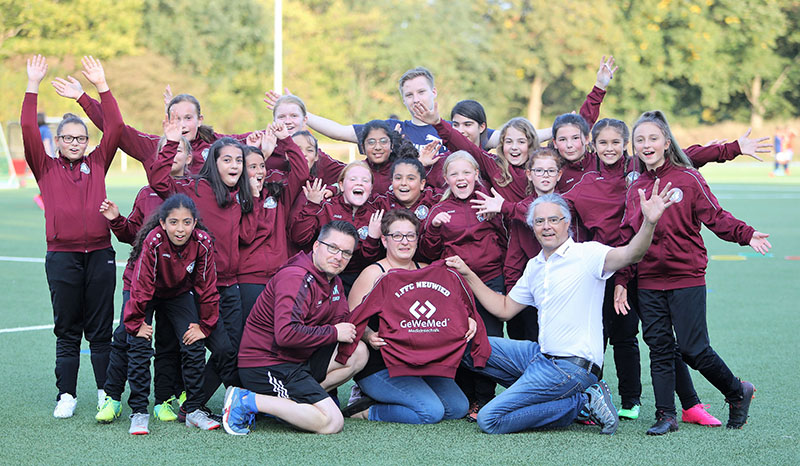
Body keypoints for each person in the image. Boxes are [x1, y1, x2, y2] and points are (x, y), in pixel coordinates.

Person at [445, 183, 678, 435]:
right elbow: (504, 309)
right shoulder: (535, 266)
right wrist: (468, 274)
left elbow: (631, 254)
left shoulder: (587, 254)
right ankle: (561, 397)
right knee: (468, 346)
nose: (547, 226)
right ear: (532, 227)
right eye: (539, 221)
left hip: (572, 367)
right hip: (540, 357)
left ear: (567, 223)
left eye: (554, 220)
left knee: (490, 420)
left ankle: (584, 401)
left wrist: (650, 222)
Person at [615, 110, 769, 435]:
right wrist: (622, 281)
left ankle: (737, 391)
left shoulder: (687, 178)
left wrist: (747, 233)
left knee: (693, 348)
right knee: (658, 346)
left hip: (686, 276)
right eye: (640, 140)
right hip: (649, 281)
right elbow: (628, 240)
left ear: (666, 141)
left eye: (653, 138)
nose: (646, 145)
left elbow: (716, 217)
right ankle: (666, 415)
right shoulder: (636, 187)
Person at [22, 55, 122, 418]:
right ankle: (66, 394)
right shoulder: (45, 167)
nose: (75, 142)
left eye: (81, 138)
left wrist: (99, 86)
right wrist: (32, 85)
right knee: (67, 329)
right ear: (59, 141)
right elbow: (28, 131)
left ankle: (104, 393)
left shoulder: (97, 163)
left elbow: (116, 126)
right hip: (62, 257)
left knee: (100, 329)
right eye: (68, 138)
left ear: (86, 141)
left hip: (100, 254)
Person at [222, 221, 370, 435]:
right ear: (317, 246)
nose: (339, 257)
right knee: (331, 423)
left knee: (358, 352)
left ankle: (288, 408)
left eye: (346, 253)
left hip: (298, 360)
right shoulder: (296, 277)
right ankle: (244, 400)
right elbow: (287, 334)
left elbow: (343, 320)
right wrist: (335, 332)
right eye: (333, 248)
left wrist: (370, 332)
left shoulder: (333, 280)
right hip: (268, 364)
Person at [338, 209, 483, 424]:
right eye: (397, 236)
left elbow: (450, 309)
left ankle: (390, 399)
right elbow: (350, 318)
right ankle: (364, 409)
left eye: (410, 235)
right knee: (431, 412)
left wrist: (466, 320)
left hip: (419, 362)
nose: (404, 242)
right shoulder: (374, 273)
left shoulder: (426, 271)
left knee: (457, 407)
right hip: (381, 364)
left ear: (417, 239)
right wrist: (369, 336)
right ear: (385, 241)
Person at [95, 134, 192, 424]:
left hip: (174, 284)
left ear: (189, 157)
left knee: (168, 341)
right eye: (166, 150)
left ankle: (164, 399)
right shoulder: (145, 193)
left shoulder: (194, 192)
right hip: (139, 281)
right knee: (126, 335)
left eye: (178, 150)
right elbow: (131, 235)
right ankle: (113, 397)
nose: (172, 154)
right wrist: (116, 219)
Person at [122, 194, 222, 434]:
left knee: (194, 342)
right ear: (163, 223)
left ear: (195, 223)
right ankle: (138, 411)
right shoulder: (153, 240)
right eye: (174, 222)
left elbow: (207, 286)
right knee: (140, 343)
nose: (181, 229)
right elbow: (142, 284)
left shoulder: (203, 241)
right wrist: (136, 322)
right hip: (147, 292)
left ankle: (194, 409)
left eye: (187, 222)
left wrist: (204, 326)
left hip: (177, 292)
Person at [420, 150, 508, 420]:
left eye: (466, 172)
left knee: (489, 339)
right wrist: (433, 227)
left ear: (475, 175)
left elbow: (507, 240)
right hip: (457, 285)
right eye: (454, 173)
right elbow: (426, 252)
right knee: (460, 338)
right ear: (446, 178)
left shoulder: (488, 202)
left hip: (490, 281)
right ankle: (465, 396)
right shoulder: (439, 210)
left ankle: (485, 398)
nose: (461, 178)